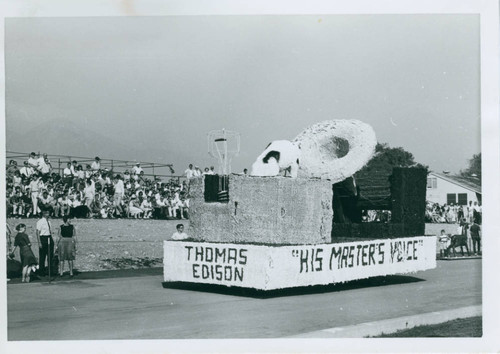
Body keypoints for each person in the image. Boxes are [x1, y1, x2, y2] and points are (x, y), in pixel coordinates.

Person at [36, 210, 54, 276]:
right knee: (42, 256)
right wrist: (39, 242)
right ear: (44, 214)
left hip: (49, 237)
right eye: (48, 213)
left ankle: (50, 271)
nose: (49, 214)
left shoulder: (49, 222)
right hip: (43, 238)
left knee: (50, 256)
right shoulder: (40, 222)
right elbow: (37, 232)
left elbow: (50, 231)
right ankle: (41, 271)